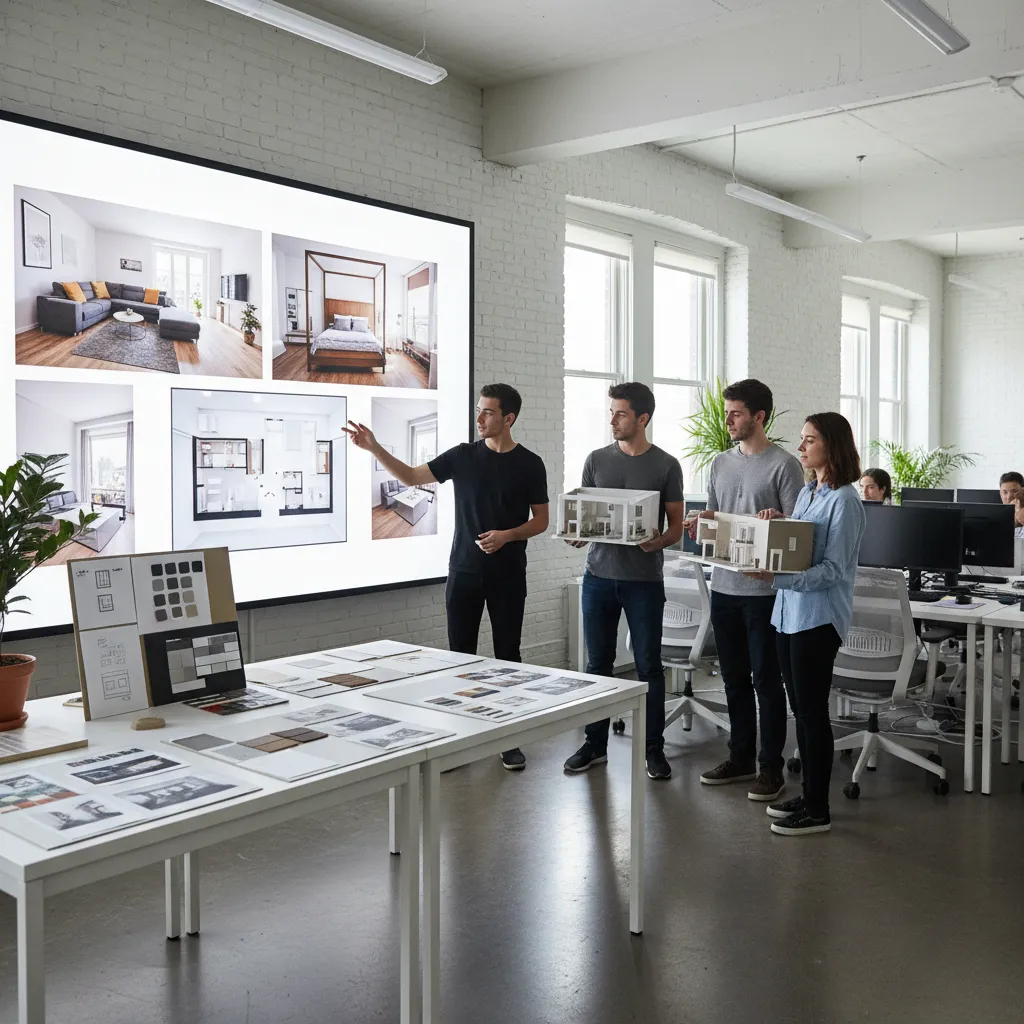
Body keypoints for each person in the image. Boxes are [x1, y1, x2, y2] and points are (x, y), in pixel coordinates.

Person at [343, 383, 549, 771]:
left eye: (487, 412)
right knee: (460, 659)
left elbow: (541, 520)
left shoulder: (529, 464)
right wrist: (373, 447)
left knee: (508, 658)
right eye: (478, 410)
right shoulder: (462, 457)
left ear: (509, 418)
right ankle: (462, 738)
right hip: (464, 573)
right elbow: (409, 476)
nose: (479, 418)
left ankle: (509, 739)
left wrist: (507, 535)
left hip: (507, 576)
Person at [744, 412, 865, 837]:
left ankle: (818, 809)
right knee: (801, 711)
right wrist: (780, 525)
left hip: (817, 619)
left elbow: (833, 569)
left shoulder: (845, 501)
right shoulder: (810, 492)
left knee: (813, 716)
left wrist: (778, 578)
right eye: (801, 440)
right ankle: (809, 792)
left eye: (809, 440)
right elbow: (802, 547)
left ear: (830, 445)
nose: (801, 448)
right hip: (788, 614)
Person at [563, 382, 684, 781]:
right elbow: (584, 517)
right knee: (597, 664)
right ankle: (595, 744)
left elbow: (677, 528)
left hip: (643, 582)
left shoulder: (666, 465)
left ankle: (653, 748)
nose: (612, 420)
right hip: (597, 577)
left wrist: (658, 542)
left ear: (642, 418)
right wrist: (576, 532)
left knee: (649, 666)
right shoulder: (596, 460)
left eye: (620, 414)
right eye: (611, 412)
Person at [692, 379, 804, 802]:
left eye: (735, 413)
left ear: (759, 417)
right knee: (733, 678)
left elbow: (798, 534)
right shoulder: (720, 463)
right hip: (724, 586)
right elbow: (718, 519)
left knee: (766, 682)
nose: (728, 420)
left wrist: (777, 521)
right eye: (727, 413)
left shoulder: (784, 465)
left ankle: (770, 767)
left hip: (764, 594)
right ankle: (739, 757)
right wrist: (703, 522)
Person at [999, 472, 1024, 539]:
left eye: (1015, 491)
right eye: (1005, 492)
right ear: (1000, 494)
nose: (1009, 497)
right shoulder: (995, 518)